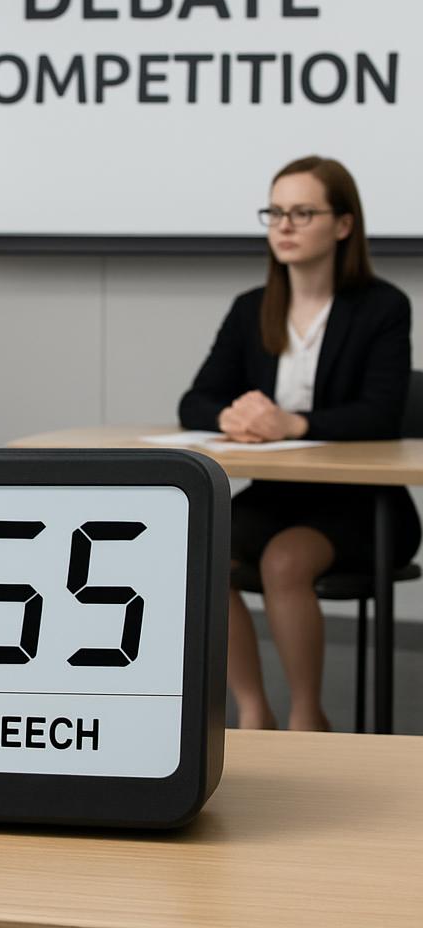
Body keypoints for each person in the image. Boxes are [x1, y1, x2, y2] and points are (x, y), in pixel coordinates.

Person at [178, 155, 420, 731]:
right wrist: (235, 414)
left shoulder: (382, 307)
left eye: (302, 212)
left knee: (286, 561)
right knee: (201, 545)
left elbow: (381, 415)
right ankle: (252, 711)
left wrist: (296, 425)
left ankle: (308, 718)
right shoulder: (250, 308)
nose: (283, 225)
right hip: (278, 497)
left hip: (364, 506)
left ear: (343, 225)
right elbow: (194, 402)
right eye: (276, 212)